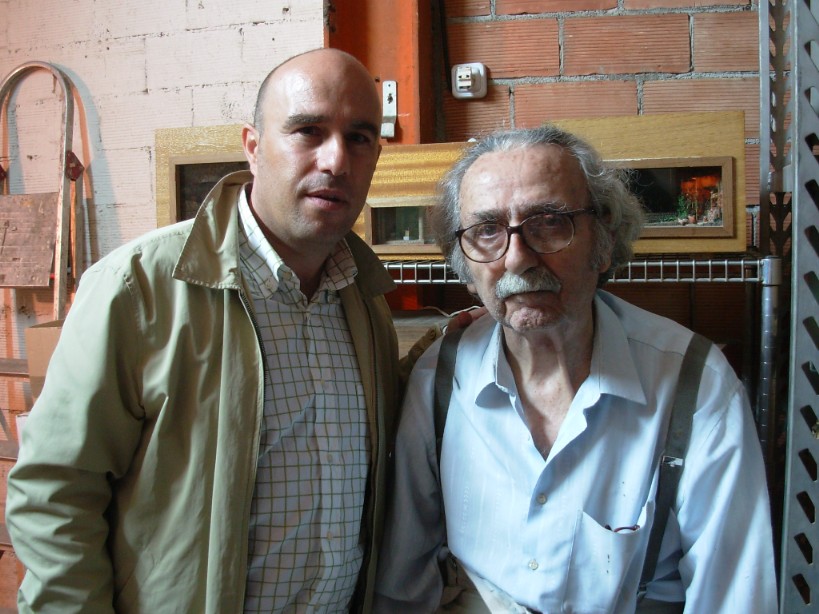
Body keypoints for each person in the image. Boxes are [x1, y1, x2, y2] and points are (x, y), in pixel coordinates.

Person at [7, 48, 402, 613]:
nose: (336, 159)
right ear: (253, 147)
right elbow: (55, 496)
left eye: (358, 137)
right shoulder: (136, 289)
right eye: (308, 131)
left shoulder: (365, 302)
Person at [374, 126, 778, 613]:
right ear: (465, 263)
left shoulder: (696, 385)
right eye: (487, 231)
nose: (517, 258)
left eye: (549, 222)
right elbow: (403, 586)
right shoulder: (441, 375)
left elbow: (736, 599)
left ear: (603, 241)